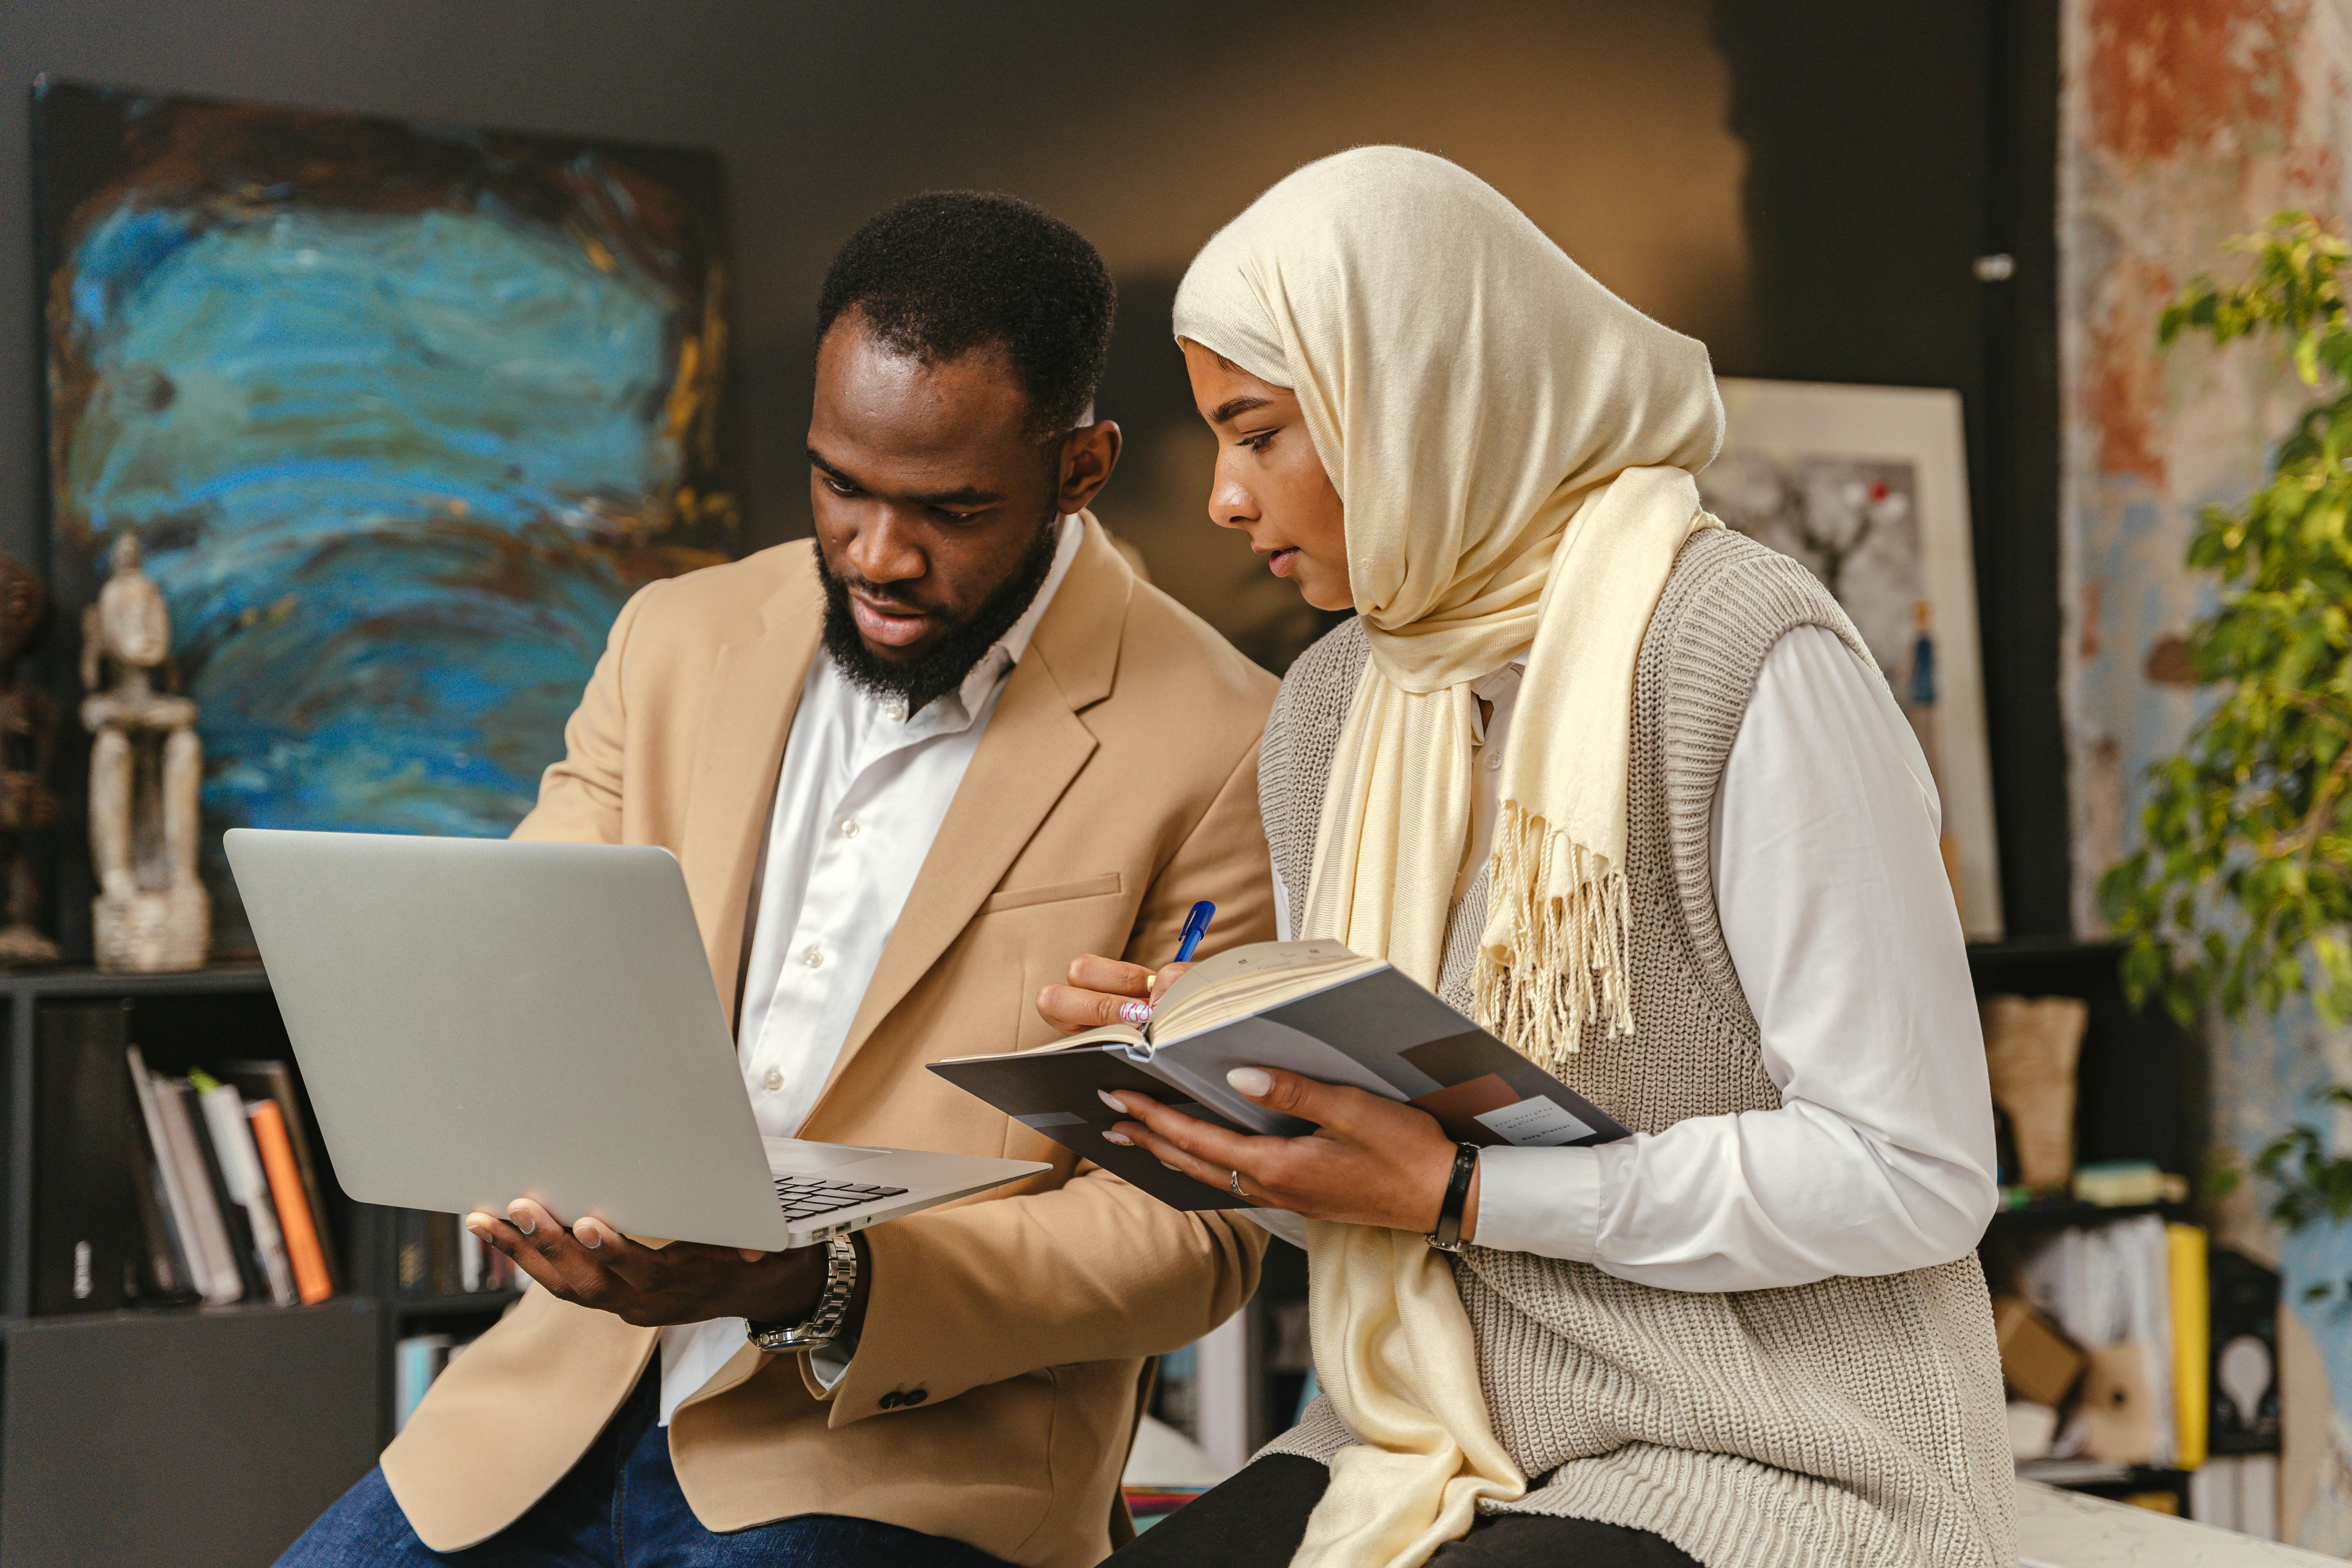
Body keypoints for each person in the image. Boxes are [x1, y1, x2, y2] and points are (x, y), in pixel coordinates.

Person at [1042, 148, 2014, 1568]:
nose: (1226, 502)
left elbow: (1913, 1172)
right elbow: (1374, 1198)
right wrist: (1213, 1091)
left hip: (1771, 1447)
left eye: (1260, 436)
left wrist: (1467, 1194)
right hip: (1430, 1421)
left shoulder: (1746, 657)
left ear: (1412, 398)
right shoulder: (1332, 708)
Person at [277, 192, 1276, 1568]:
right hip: (551, 1411)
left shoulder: (1229, 740)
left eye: (951, 509)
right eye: (840, 485)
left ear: (1081, 469)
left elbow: (1200, 1234)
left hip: (906, 1461)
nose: (877, 555)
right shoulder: (673, 640)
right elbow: (523, 978)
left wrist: (820, 1279)